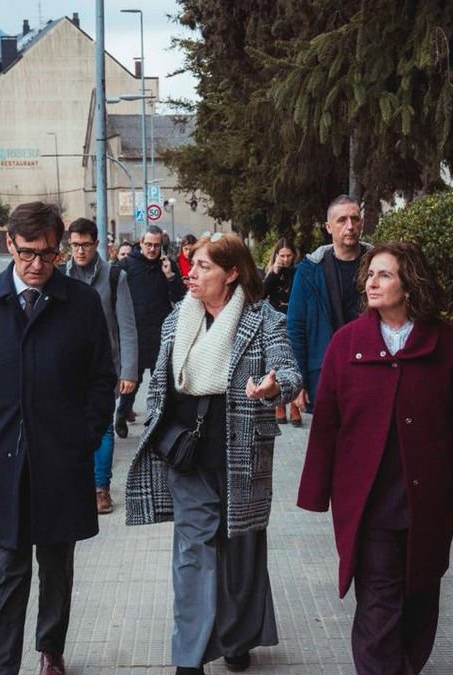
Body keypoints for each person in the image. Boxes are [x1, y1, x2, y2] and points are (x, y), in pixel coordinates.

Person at [0, 201, 117, 675]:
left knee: (57, 566)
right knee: (9, 571)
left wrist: (83, 437)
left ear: (59, 251)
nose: (37, 264)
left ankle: (51, 650)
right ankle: (0, 667)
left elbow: (103, 377)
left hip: (61, 461)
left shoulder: (79, 303)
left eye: (47, 254)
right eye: (26, 254)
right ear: (9, 246)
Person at [296, 241, 453, 674]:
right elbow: (326, 421)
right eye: (370, 274)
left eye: (384, 274)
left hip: (429, 503)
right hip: (371, 505)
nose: (372, 282)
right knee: (378, 610)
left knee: (419, 604)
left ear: (410, 284)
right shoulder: (348, 343)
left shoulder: (445, 342)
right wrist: (314, 490)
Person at [125, 232, 301, 675]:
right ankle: (191, 656)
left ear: (232, 273)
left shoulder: (263, 320)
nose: (193, 274)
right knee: (193, 553)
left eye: (204, 266)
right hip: (185, 455)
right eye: (193, 265)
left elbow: (291, 371)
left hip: (242, 454)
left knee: (240, 552)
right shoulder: (175, 320)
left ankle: (238, 637)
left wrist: (274, 385)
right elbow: (162, 386)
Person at [62, 217, 139, 515]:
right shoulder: (60, 276)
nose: (80, 251)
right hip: (67, 367)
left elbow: (127, 327)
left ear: (97, 245)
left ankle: (100, 489)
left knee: (103, 427)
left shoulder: (114, 277)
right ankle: (75, 484)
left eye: (86, 245)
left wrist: (130, 370)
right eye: (75, 245)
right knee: (69, 425)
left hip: (104, 367)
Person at [287, 195, 370, 416]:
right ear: (329, 227)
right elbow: (296, 327)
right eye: (342, 220)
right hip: (326, 371)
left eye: (355, 219)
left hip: (372, 369)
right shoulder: (309, 270)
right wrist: (299, 381)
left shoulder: (377, 265)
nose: (350, 226)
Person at [113, 225, 186, 438]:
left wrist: (171, 276)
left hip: (160, 333)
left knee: (161, 381)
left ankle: (158, 420)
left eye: (156, 245)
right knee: (132, 380)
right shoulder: (126, 265)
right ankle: (122, 413)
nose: (152, 249)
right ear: (140, 243)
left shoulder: (167, 265)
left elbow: (181, 298)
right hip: (134, 333)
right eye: (148, 245)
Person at [263, 238, 301, 427]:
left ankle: (294, 405)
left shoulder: (298, 272)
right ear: (276, 256)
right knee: (276, 361)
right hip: (275, 322)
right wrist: (274, 273)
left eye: (288, 255)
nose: (285, 259)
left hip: (293, 320)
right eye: (282, 255)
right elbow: (261, 295)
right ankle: (280, 405)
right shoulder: (271, 273)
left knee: (294, 361)